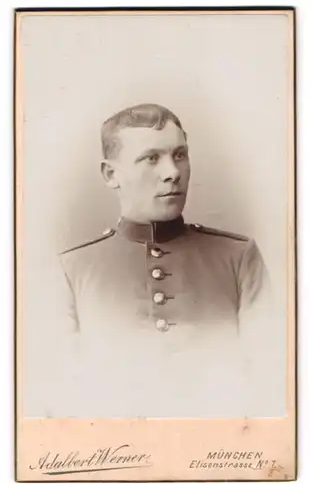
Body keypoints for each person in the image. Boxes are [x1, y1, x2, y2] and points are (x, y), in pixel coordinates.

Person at [54, 103, 276, 418]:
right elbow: (64, 397)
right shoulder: (73, 270)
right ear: (110, 174)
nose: (172, 173)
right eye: (151, 158)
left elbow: (269, 385)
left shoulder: (238, 258)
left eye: (180, 155)